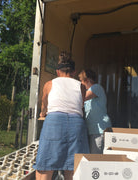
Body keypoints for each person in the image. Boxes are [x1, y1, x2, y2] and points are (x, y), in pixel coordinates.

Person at [33, 51, 89, 180]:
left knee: (45, 165)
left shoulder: (49, 84)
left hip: (54, 123)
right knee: (74, 166)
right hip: (76, 124)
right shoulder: (81, 86)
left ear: (57, 72)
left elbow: (44, 105)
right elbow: (81, 105)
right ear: (74, 72)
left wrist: (43, 113)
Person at [78, 69, 112, 154]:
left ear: (87, 80)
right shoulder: (90, 92)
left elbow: (82, 98)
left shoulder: (96, 87)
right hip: (93, 130)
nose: (81, 84)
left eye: (81, 81)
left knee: (96, 158)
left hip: (99, 130)